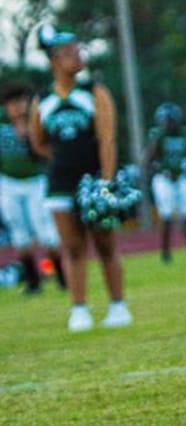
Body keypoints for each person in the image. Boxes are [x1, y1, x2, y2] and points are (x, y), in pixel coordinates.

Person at [29, 27, 132, 331]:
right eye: (68, 52)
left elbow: (107, 139)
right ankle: (79, 308)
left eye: (78, 49)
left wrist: (107, 182)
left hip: (94, 179)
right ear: (53, 60)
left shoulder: (94, 92)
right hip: (60, 181)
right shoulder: (43, 100)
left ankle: (118, 304)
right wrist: (61, 163)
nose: (76, 56)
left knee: (105, 243)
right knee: (71, 246)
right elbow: (39, 142)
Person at [0, 82, 63, 294]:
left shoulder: (39, 120)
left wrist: (29, 137)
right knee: (18, 231)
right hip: (9, 182)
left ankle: (63, 276)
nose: (17, 108)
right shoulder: (2, 123)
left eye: (21, 102)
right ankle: (33, 280)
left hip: (36, 181)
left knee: (45, 230)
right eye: (12, 104)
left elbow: (48, 152)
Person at [145, 102, 186, 265]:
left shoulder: (185, 134)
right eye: (165, 120)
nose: (168, 124)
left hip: (181, 177)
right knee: (166, 216)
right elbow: (149, 160)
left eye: (170, 120)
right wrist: (163, 170)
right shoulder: (158, 135)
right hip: (165, 178)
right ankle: (165, 252)